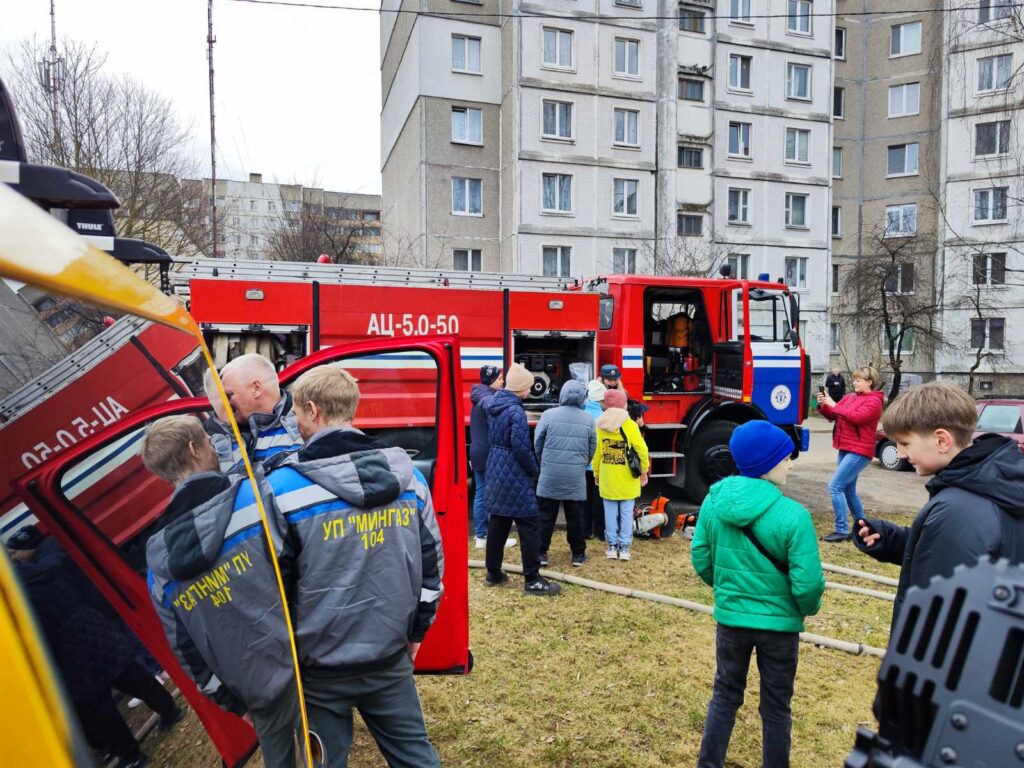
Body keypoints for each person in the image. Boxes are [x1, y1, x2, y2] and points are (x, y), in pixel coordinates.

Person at [267, 365, 444, 766]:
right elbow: (432, 565)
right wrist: (417, 630)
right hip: (388, 654)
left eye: (295, 412)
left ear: (312, 410)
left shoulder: (279, 491)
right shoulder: (410, 479)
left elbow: (273, 587)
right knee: (417, 758)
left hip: (317, 669)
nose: (294, 421)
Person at [141, 415, 301, 768]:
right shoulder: (254, 496)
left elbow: (185, 648)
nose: (215, 449)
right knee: (324, 741)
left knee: (281, 756)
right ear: (194, 449)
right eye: (209, 443)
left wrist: (232, 703)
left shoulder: (158, 564)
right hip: (304, 655)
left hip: (252, 686)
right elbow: (301, 570)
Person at [691, 420, 825, 768]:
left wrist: (728, 591)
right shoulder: (794, 516)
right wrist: (804, 608)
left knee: (724, 695)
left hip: (731, 620)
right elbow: (808, 584)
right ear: (767, 463)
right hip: (780, 630)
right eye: (785, 458)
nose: (791, 463)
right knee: (777, 705)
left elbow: (702, 559)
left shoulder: (713, 502)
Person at [854, 382, 1024, 628]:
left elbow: (941, 619)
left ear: (942, 440)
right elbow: (958, 555)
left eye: (905, 443)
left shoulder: (958, 508)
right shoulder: (991, 483)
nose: (900, 454)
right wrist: (894, 541)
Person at [11, 527, 182, 768]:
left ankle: (131, 755)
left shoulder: (16, 594)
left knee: (95, 705)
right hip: (89, 623)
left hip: (67, 648)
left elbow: (38, 631)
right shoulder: (40, 569)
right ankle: (169, 710)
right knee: (128, 673)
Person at [483, 363, 561, 595]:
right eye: (527, 386)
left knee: (498, 522)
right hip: (514, 473)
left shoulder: (495, 405)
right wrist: (533, 469)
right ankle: (532, 579)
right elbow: (520, 446)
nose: (530, 390)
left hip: (496, 468)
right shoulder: (516, 410)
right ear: (520, 388)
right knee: (529, 525)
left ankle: (493, 572)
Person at [816, 365, 884, 542]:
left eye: (859, 380)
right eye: (854, 379)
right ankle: (864, 527)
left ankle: (842, 530)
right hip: (846, 447)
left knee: (835, 486)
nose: (855, 383)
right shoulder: (850, 397)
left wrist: (833, 404)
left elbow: (857, 418)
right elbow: (834, 415)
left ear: (870, 382)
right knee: (848, 490)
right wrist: (824, 405)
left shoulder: (875, 401)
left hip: (860, 450)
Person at [535, 379, 597, 567]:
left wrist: (544, 463)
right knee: (575, 515)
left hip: (550, 474)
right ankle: (578, 554)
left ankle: (541, 553)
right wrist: (580, 465)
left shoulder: (548, 415)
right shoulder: (587, 418)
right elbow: (591, 449)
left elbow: (538, 443)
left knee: (545, 514)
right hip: (575, 475)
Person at [216, 353, 303, 467]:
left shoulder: (303, 426)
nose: (225, 404)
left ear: (256, 388)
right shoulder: (222, 429)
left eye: (229, 396)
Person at [593, 388, 650, 561]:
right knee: (626, 513)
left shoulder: (599, 424)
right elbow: (642, 450)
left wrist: (596, 473)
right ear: (623, 404)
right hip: (627, 478)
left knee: (609, 513)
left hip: (608, 476)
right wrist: (644, 471)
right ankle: (624, 548)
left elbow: (597, 453)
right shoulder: (630, 425)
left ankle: (611, 546)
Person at [469, 365, 516, 551]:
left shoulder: (479, 397)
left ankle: (480, 536)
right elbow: (499, 427)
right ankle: (495, 537)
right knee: (496, 495)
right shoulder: (489, 401)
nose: (502, 381)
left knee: (481, 493)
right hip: (489, 454)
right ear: (491, 381)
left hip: (478, 452)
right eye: (499, 379)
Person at [584, 381, 606, 541]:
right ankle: (599, 531)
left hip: (583, 464)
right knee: (599, 499)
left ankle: (585, 531)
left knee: (584, 498)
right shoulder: (604, 417)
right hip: (599, 465)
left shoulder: (581, 414)